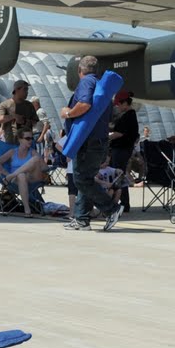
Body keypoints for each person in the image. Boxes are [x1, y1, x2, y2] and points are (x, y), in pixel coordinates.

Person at [61, 55, 120, 231]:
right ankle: (82, 219)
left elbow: (84, 104)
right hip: (99, 141)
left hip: (88, 141)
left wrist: (68, 113)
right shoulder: (102, 87)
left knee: (80, 180)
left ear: (80, 70)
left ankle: (112, 209)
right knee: (86, 179)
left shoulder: (86, 83)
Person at [105, 90, 138, 213]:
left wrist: (106, 136)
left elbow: (119, 133)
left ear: (125, 103)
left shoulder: (128, 116)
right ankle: (123, 202)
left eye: (119, 104)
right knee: (119, 174)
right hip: (121, 149)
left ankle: (123, 202)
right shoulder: (128, 115)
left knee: (118, 175)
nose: (117, 106)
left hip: (121, 149)